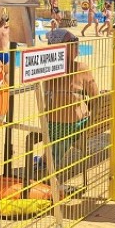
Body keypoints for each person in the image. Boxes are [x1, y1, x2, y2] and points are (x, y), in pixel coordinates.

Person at [43, 30, 99, 184]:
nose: (77, 45)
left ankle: (48, 160)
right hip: (75, 126)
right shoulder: (81, 67)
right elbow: (96, 97)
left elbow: (47, 102)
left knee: (55, 125)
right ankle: (49, 169)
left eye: (76, 41)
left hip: (53, 126)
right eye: (73, 42)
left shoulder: (47, 69)